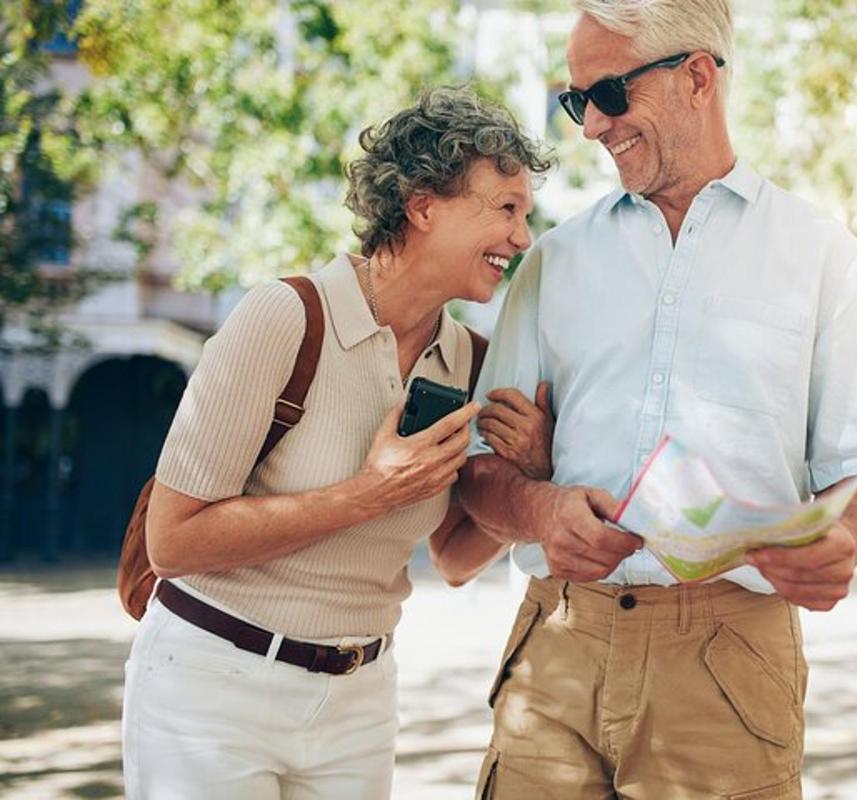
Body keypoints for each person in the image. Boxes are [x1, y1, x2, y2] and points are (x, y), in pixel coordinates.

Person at [457, 2, 857, 797]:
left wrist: (842, 542)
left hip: (729, 661)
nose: (591, 127)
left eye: (605, 95)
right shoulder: (552, 263)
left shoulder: (822, 257)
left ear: (697, 77)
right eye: (576, 103)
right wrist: (539, 511)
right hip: (558, 647)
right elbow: (477, 474)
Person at [120, 87, 554, 799]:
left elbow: (452, 557)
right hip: (211, 689)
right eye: (506, 209)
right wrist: (365, 495)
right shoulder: (285, 318)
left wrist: (533, 477)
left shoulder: (469, 361)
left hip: (359, 699)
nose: (522, 237)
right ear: (422, 205)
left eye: (525, 215)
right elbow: (173, 542)